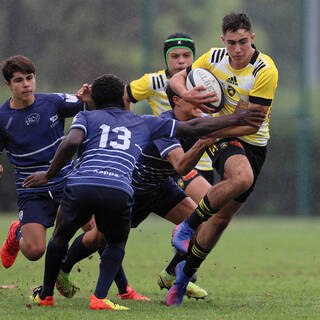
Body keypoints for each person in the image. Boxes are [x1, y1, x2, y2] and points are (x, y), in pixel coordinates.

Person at [23, 73, 265, 310]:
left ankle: (171, 273)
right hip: (130, 188)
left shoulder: (94, 117)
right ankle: (77, 280)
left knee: (200, 223)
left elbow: (72, 142)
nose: (202, 106)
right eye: (195, 100)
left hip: (145, 186)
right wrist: (228, 124)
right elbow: (186, 151)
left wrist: (48, 175)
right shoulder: (153, 123)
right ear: (177, 100)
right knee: (104, 239)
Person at [166, 12, 278, 306]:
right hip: (223, 137)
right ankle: (187, 226)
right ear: (222, 41)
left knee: (222, 218)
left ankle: (182, 278)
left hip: (252, 141)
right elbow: (178, 77)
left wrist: (214, 131)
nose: (238, 49)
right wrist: (187, 94)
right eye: (232, 43)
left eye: (243, 42)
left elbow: (252, 124)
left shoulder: (264, 70)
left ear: (252, 39)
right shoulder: (213, 57)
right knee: (241, 177)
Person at [0, 55, 84, 269]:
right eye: (19, 80)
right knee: (35, 251)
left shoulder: (53, 102)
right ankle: (17, 232)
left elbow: (88, 103)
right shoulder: (3, 118)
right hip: (32, 190)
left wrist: (90, 95)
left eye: (29, 78)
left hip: (67, 182)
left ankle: (67, 271)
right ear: (8, 84)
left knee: (96, 231)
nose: (26, 84)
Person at [124, 32, 213, 202]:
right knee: (203, 213)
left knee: (205, 218)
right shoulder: (153, 82)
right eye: (175, 56)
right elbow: (125, 96)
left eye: (186, 55)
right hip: (169, 155)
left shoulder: (206, 81)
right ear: (166, 58)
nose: (181, 61)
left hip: (201, 159)